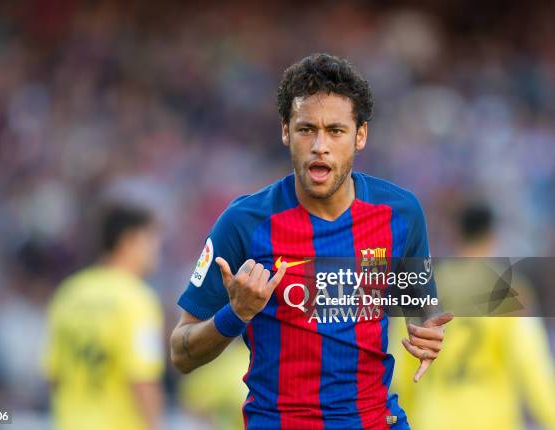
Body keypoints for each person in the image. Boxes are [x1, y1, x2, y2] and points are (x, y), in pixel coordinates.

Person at [170, 53, 453, 429]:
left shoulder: (401, 213)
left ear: (360, 135)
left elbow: (420, 308)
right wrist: (236, 313)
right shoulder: (243, 223)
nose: (320, 145)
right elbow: (181, 353)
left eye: (335, 131)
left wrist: (429, 334)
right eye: (306, 130)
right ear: (286, 131)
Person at [391, 203, 555, 430]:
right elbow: (534, 369)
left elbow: (400, 374)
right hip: (493, 421)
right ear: (492, 237)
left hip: (434, 420)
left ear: (455, 234)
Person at [43, 205, 164, 430]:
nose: (157, 249)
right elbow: (143, 379)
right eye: (151, 238)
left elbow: (54, 376)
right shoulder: (137, 299)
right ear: (130, 241)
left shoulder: (68, 294)